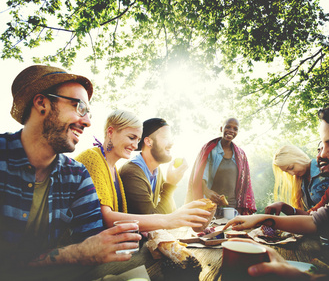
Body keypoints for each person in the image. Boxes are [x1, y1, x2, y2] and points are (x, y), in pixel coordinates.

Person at [0, 65, 141, 279]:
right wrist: (75, 254)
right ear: (42, 103)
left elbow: (93, 244)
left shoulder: (76, 175)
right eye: (79, 107)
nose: (87, 122)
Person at [222, 107, 329, 280]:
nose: (322, 154)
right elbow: (317, 218)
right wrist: (273, 213)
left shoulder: (323, 172)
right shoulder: (303, 182)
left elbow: (314, 218)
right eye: (321, 146)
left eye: (291, 167)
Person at [75, 110, 211, 231]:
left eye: (138, 140)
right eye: (131, 137)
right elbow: (109, 219)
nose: (135, 146)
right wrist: (170, 216)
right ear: (110, 132)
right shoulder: (94, 159)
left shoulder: (112, 168)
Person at [185, 117, 256, 215]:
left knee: (231, 230)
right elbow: (201, 173)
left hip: (232, 207)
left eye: (235, 129)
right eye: (228, 127)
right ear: (221, 128)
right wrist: (206, 190)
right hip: (210, 205)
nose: (231, 131)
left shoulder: (240, 155)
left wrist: (240, 208)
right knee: (211, 229)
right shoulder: (210, 150)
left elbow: (244, 184)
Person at [120, 118, 188, 214]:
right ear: (148, 142)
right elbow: (152, 219)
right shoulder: (132, 174)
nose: (171, 143)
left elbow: (170, 212)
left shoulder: (156, 170)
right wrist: (170, 184)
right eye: (165, 137)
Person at [266, 142, 329, 216]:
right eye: (287, 172)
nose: (292, 174)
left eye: (291, 168)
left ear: (299, 158)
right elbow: (311, 214)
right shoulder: (300, 183)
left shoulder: (325, 169)